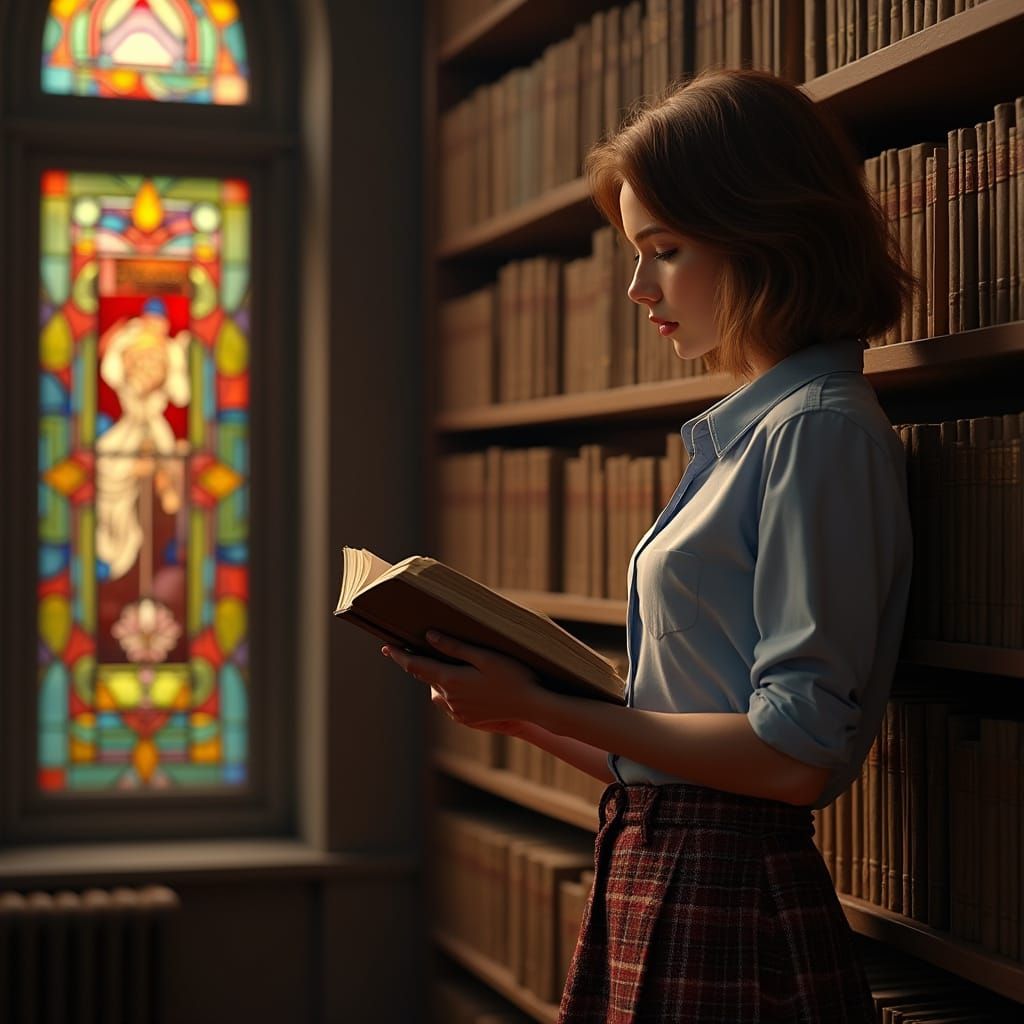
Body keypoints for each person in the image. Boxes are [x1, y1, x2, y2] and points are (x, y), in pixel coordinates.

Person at [385, 66, 915, 1022]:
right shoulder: (750, 432)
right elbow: (673, 757)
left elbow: (792, 758)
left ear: (765, 232)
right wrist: (521, 712)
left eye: (663, 250)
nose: (636, 289)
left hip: (726, 896)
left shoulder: (815, 432)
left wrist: (553, 710)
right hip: (654, 864)